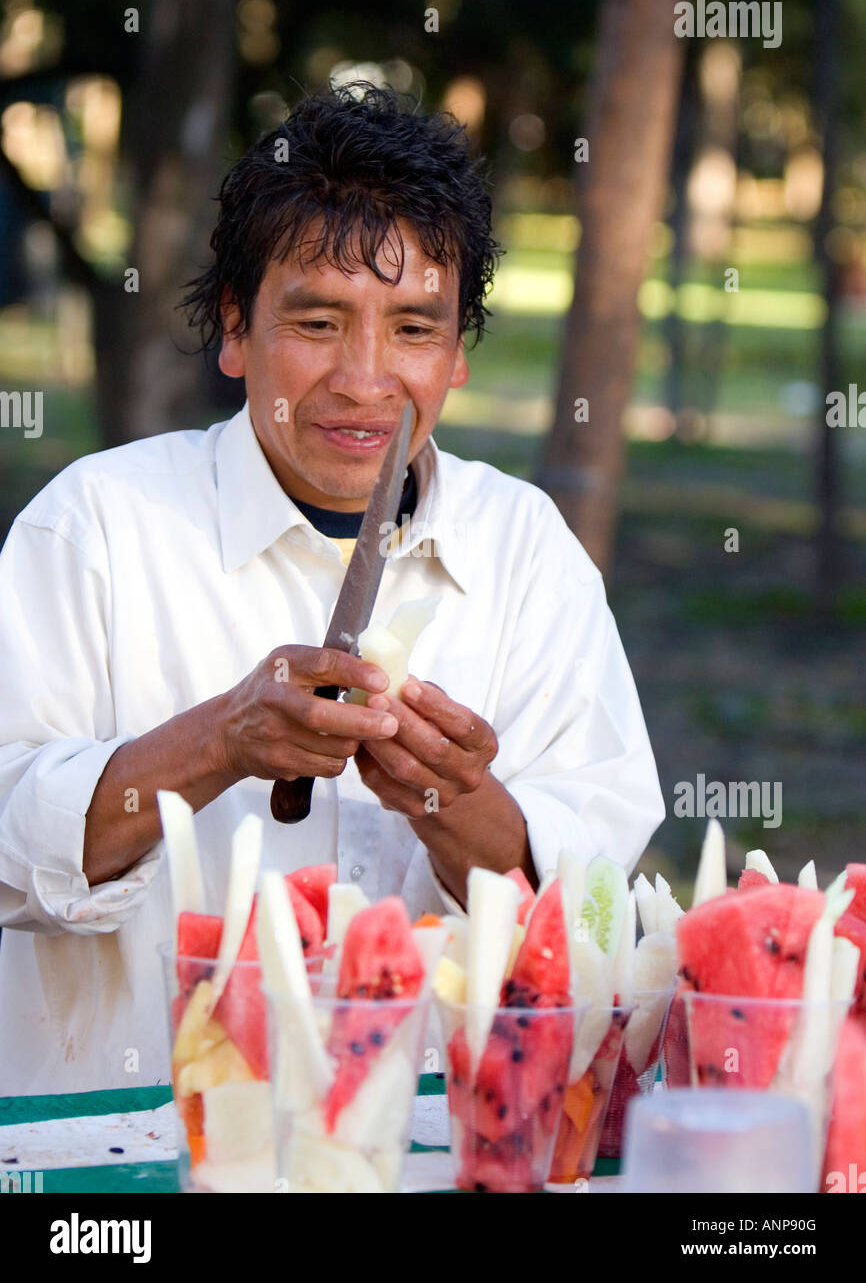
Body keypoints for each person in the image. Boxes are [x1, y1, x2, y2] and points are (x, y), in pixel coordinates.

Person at [0, 86, 664, 1094]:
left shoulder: (525, 550)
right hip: (128, 1149)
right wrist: (218, 742)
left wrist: (454, 798)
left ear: (456, 355)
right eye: (316, 321)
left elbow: (593, 905)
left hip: (430, 1145)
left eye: (411, 330)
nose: (363, 379)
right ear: (235, 329)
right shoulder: (93, 526)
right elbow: (10, 847)